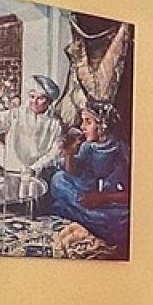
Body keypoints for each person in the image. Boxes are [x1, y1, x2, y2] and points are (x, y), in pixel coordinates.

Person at [47, 100, 131, 253]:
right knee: (58, 179)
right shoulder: (87, 146)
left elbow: (133, 194)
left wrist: (103, 198)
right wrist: (69, 154)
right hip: (87, 193)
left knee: (123, 218)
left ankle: (83, 215)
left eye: (88, 122)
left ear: (103, 126)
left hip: (109, 202)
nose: (82, 127)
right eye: (82, 121)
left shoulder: (120, 151)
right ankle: (83, 213)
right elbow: (73, 172)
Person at [0, 75, 66, 179]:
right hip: (12, 169)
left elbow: (54, 153)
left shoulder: (55, 124)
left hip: (38, 173)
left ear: (49, 102)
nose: (34, 101)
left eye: (40, 98)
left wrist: (35, 168)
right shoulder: (18, 114)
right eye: (32, 96)